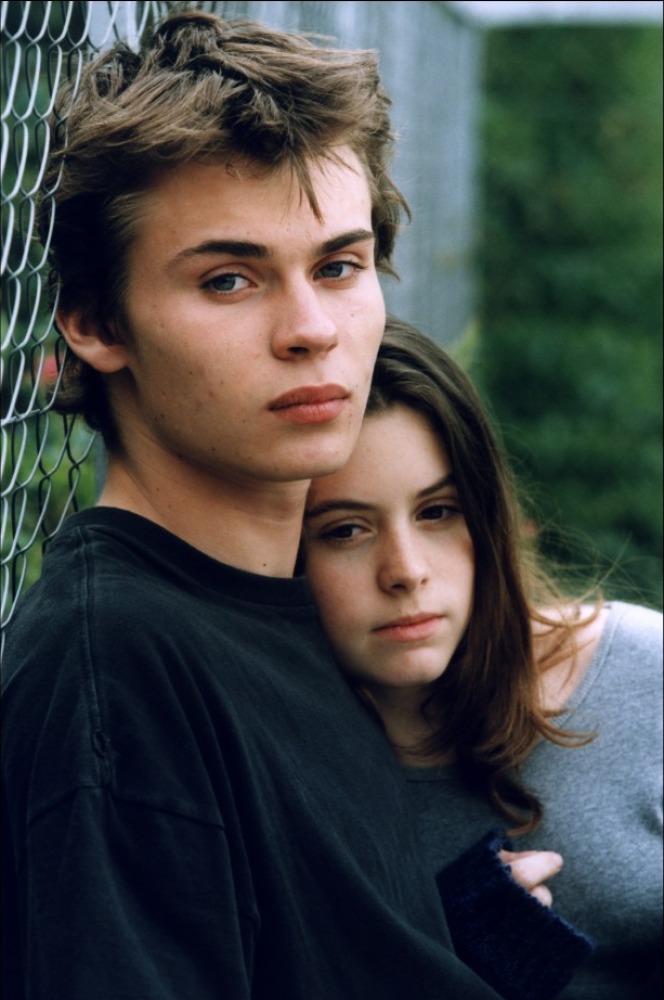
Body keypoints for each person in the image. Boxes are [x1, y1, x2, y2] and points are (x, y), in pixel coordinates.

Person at [2, 11, 580, 1000]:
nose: (311, 330)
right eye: (230, 280)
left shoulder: (288, 606)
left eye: (338, 266)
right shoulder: (121, 674)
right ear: (97, 323)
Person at [304, 317, 663, 1000]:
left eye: (438, 512)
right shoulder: (272, 777)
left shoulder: (644, 675)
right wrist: (443, 969)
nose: (405, 571)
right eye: (345, 530)